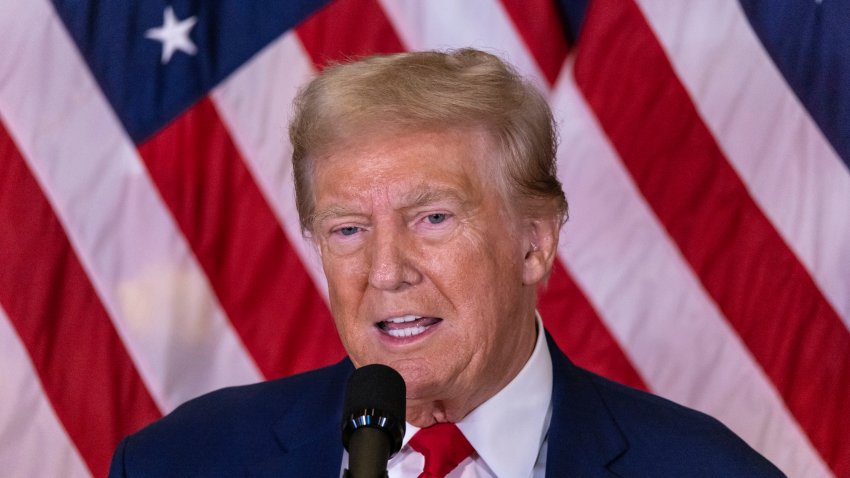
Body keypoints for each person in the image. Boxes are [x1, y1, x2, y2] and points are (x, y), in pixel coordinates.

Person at [108, 49, 784, 477]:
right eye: (347, 228)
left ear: (534, 243)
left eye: (432, 218)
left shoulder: (708, 469)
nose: (385, 270)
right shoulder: (179, 462)